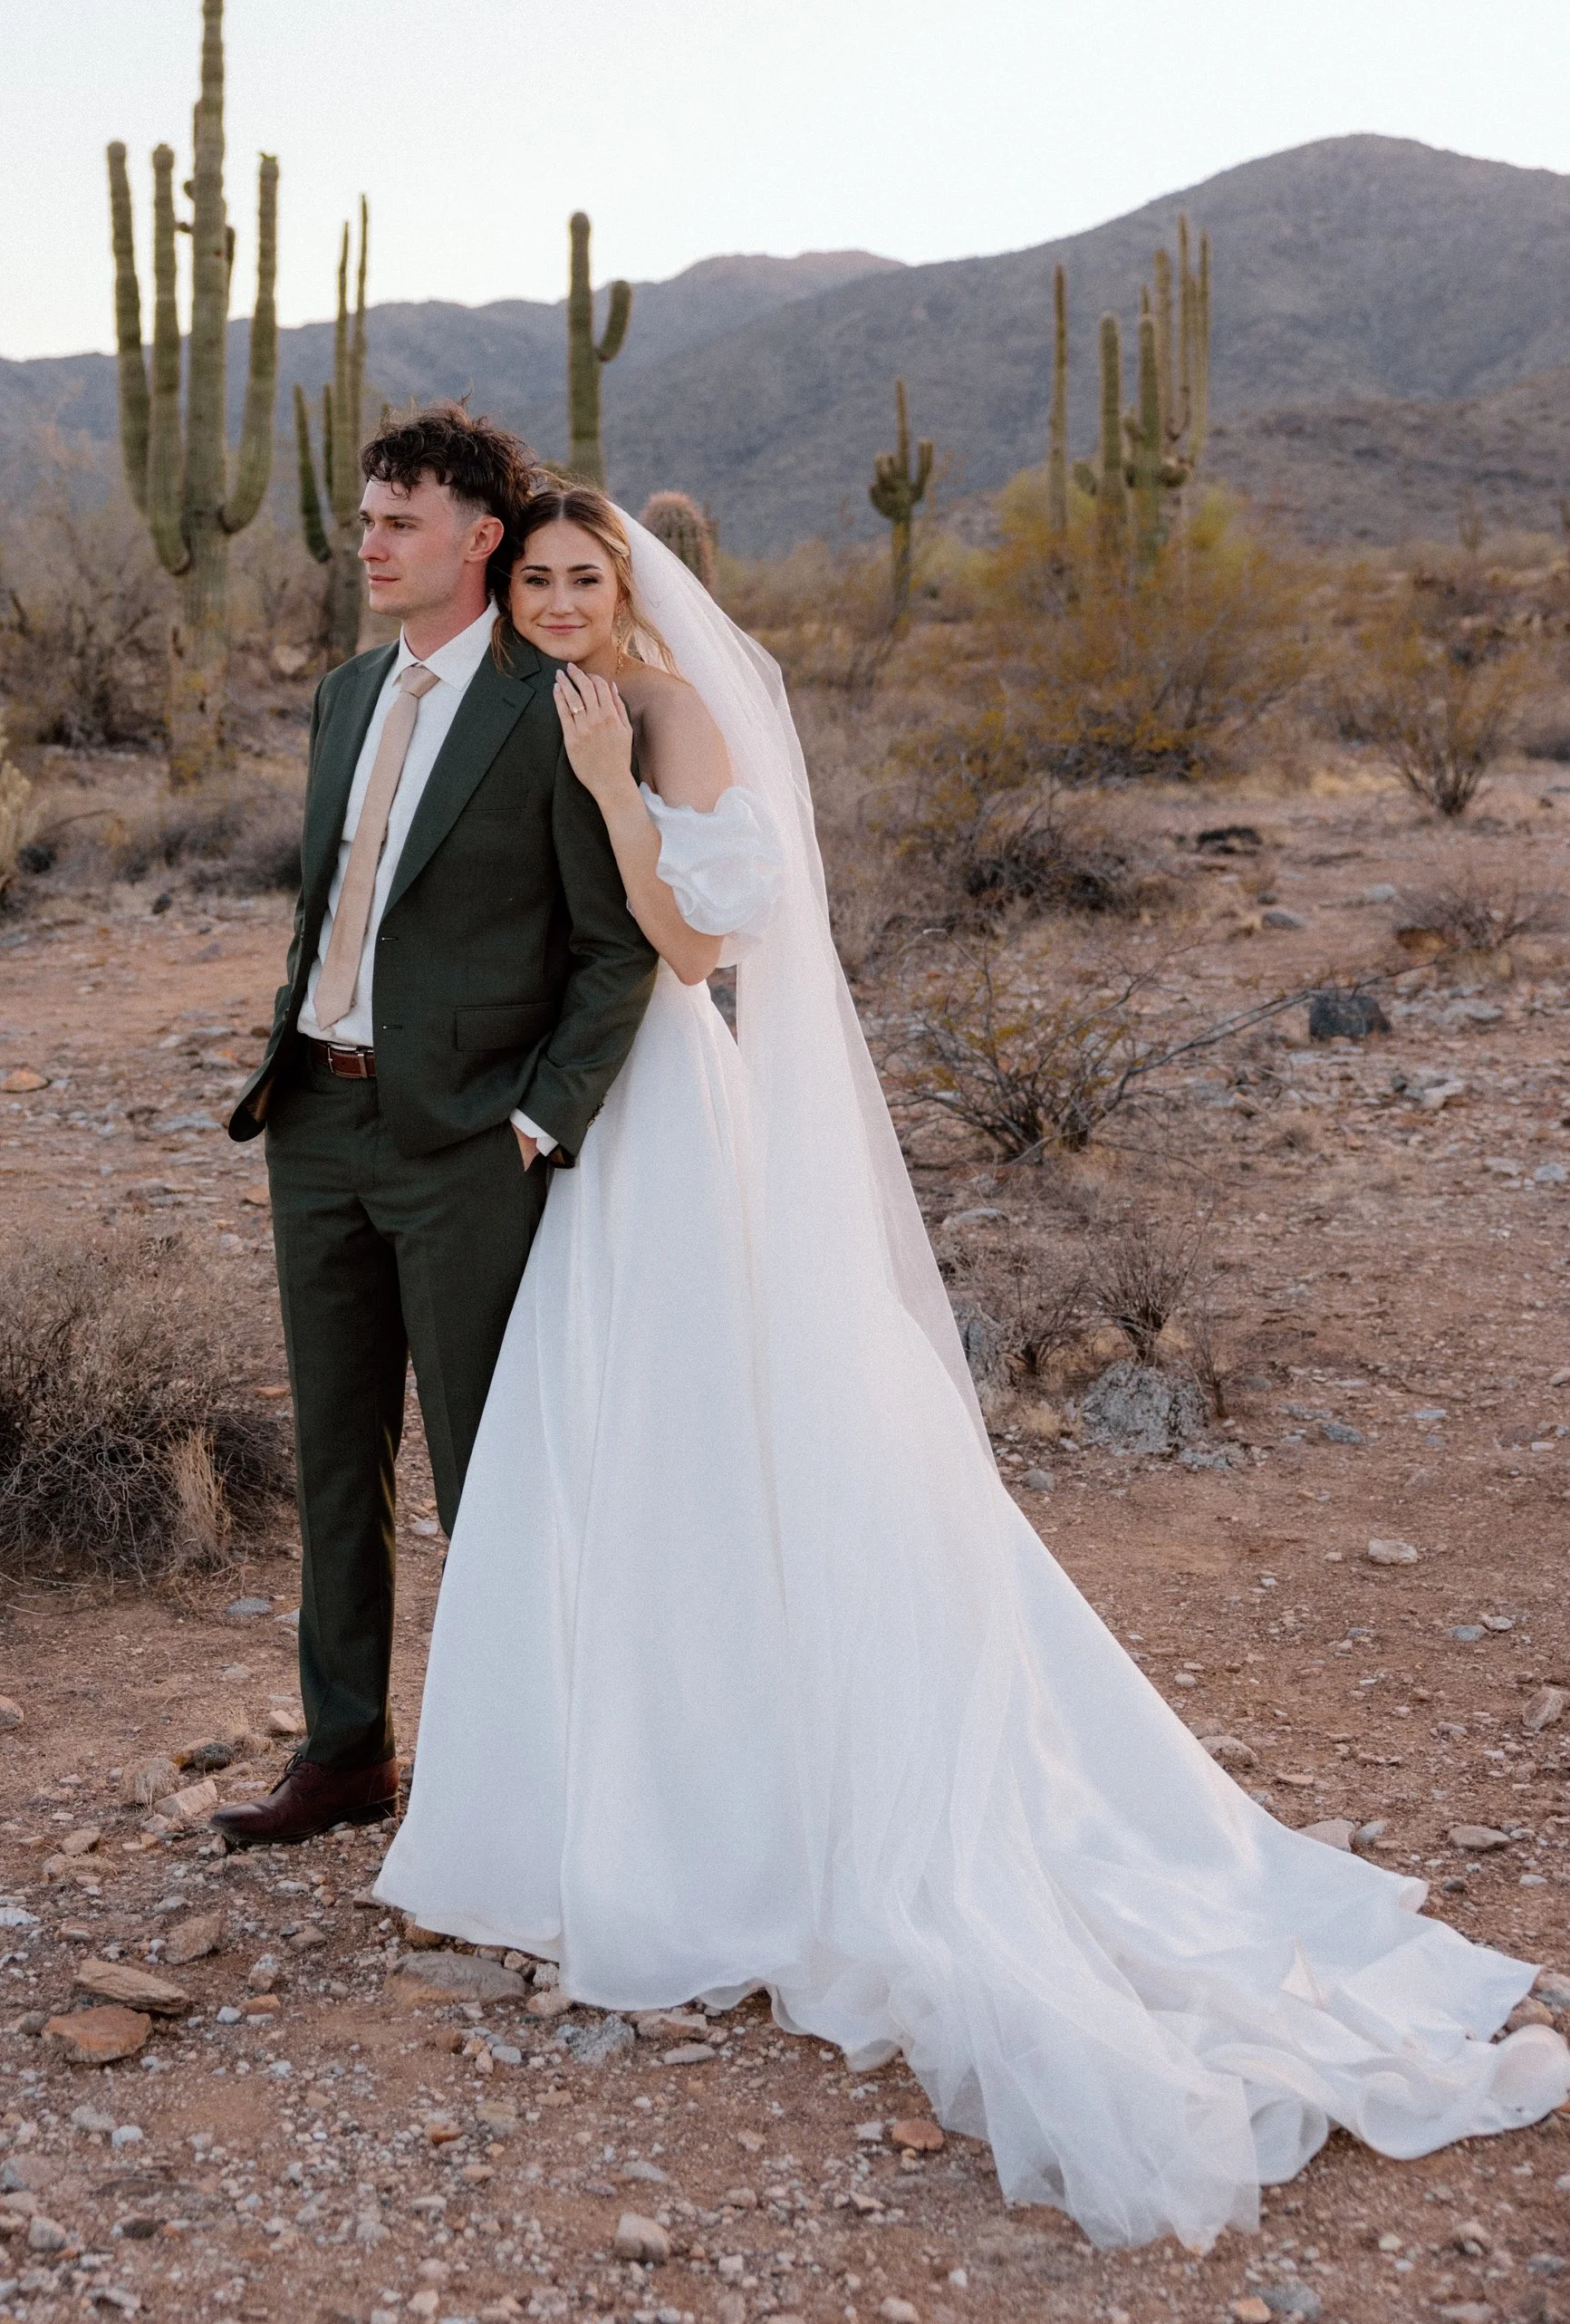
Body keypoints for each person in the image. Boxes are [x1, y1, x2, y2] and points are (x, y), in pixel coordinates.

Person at [377, 484, 1570, 2253]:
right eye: (532, 575)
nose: (552, 597)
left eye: (579, 574)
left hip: (681, 1123)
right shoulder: (548, 699)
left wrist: (619, 792)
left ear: (622, 587)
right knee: (617, 1446)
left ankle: (734, 1810)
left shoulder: (670, 713)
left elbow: (701, 944)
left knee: (719, 1435)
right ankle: (606, 1792)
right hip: (607, 1128)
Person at [217, 411, 657, 1852]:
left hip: (467, 1146)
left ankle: (510, 1776)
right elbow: (323, 905)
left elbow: (617, 948)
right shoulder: (348, 694)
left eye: (400, 520)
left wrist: (536, 1123)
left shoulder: (555, 710)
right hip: (316, 1124)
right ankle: (345, 1752)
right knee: (337, 1460)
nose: (370, 540)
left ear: (481, 539)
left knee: (483, 1472)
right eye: (365, 516)